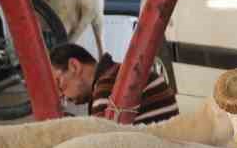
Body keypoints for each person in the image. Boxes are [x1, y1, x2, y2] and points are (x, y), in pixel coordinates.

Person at [49, 43, 177, 123]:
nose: (60, 95)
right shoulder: (117, 74)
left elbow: (99, 147)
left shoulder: (109, 86)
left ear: (74, 66)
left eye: (59, 83)